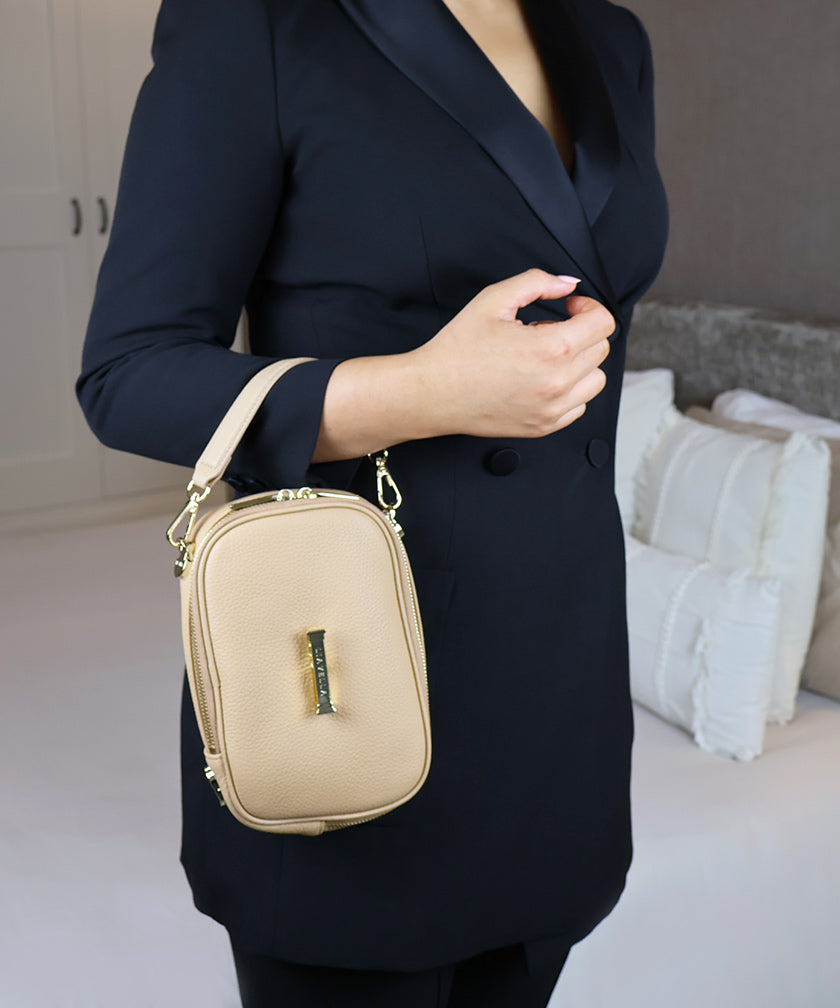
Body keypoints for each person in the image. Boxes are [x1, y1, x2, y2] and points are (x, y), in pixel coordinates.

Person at [76, 0, 669, 1003]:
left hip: (558, 701)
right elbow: (127, 374)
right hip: (342, 681)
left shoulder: (610, 35)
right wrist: (422, 392)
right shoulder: (257, 23)